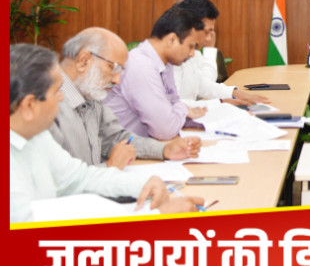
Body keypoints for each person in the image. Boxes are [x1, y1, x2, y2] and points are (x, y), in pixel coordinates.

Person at [10, 44, 203, 223]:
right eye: (55, 92)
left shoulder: (36, 136)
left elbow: (79, 178)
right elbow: (33, 224)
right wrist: (155, 216)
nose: (61, 97)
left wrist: (143, 183)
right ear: (29, 106)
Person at [49, 28, 201, 169]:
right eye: (113, 68)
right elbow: (58, 179)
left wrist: (164, 150)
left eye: (121, 71)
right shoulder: (47, 105)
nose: (117, 80)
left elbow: (117, 138)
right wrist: (110, 167)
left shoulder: (91, 95)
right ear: (84, 61)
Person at [105, 6, 207, 140]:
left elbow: (173, 102)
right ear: (171, 40)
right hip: (120, 148)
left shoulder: (165, 63)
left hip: (143, 145)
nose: (192, 54)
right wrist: (183, 110)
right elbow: (165, 130)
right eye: (191, 46)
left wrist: (175, 110)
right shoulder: (141, 66)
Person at [171, 0, 270, 105]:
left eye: (211, 32)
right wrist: (220, 102)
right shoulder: (170, 56)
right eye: (206, 32)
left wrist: (237, 94)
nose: (209, 38)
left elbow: (201, 84)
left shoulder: (191, 52)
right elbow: (173, 105)